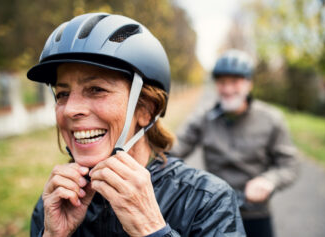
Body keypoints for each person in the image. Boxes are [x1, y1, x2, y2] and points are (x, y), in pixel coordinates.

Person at [27, 13, 245, 237]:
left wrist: (152, 230)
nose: (71, 109)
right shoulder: (54, 201)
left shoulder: (208, 201)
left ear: (146, 109)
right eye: (62, 93)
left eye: (96, 89)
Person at [170, 49, 299, 237]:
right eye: (222, 82)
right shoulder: (204, 118)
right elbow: (174, 148)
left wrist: (269, 181)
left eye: (235, 82)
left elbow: (290, 165)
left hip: (256, 212)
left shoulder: (272, 119)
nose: (228, 89)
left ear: (249, 84)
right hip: (214, 211)